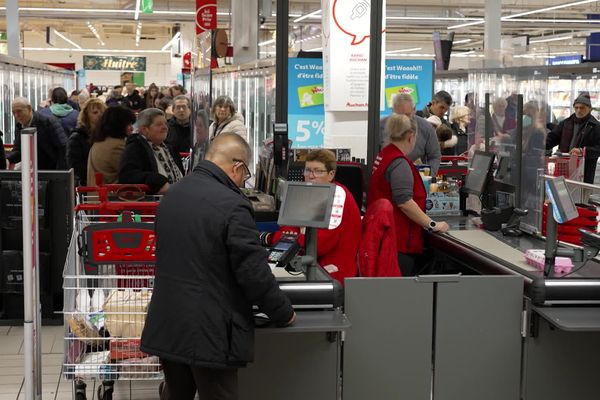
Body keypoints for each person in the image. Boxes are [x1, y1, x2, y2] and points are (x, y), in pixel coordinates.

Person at [140, 133, 295, 400]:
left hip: (168, 321)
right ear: (237, 166)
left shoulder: (173, 195)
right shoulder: (232, 204)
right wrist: (283, 312)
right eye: (245, 173)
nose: (243, 180)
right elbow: (253, 273)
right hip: (210, 330)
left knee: (176, 394)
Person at [264, 149, 361, 286]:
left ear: (331, 174)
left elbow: (319, 245)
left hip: (332, 274)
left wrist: (271, 238)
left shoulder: (337, 196)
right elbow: (289, 228)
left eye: (318, 171)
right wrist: (283, 238)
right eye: (307, 170)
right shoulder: (311, 193)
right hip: (311, 267)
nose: (311, 176)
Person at [368, 114, 449, 276]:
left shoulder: (384, 155)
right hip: (398, 241)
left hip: (385, 236)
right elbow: (404, 202)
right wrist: (433, 224)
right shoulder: (399, 163)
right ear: (411, 137)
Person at [119, 108, 184, 194]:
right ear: (145, 129)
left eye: (165, 123)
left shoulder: (170, 148)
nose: (165, 127)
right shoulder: (135, 148)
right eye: (159, 124)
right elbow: (127, 175)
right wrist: (156, 181)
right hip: (154, 203)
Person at [379, 93, 441, 176]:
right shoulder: (381, 126)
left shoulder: (426, 128)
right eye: (399, 115)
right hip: (387, 176)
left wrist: (428, 177)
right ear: (393, 111)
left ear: (414, 109)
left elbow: (434, 156)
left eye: (407, 115)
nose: (403, 119)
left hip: (418, 176)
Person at [546, 92, 600, 183]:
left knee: (582, 195)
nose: (578, 110)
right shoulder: (566, 123)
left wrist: (582, 151)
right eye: (576, 107)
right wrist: (539, 143)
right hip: (563, 167)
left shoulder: (596, 126)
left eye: (582, 108)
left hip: (584, 170)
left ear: (590, 109)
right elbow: (552, 138)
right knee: (561, 193)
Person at [8, 97, 68, 170]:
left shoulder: (48, 122)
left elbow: (63, 148)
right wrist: (8, 159)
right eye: (13, 112)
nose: (16, 115)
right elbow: (18, 150)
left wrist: (59, 174)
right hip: (33, 172)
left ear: (29, 108)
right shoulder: (19, 126)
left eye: (19, 111)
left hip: (52, 170)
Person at [87, 106, 136, 185]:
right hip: (112, 196)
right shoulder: (116, 147)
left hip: (97, 194)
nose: (132, 128)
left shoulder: (100, 142)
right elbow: (133, 173)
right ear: (118, 125)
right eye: (128, 124)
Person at [66, 98, 107, 186]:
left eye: (102, 112)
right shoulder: (77, 137)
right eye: (95, 112)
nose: (100, 115)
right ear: (86, 115)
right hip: (86, 184)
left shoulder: (108, 135)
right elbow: (74, 166)